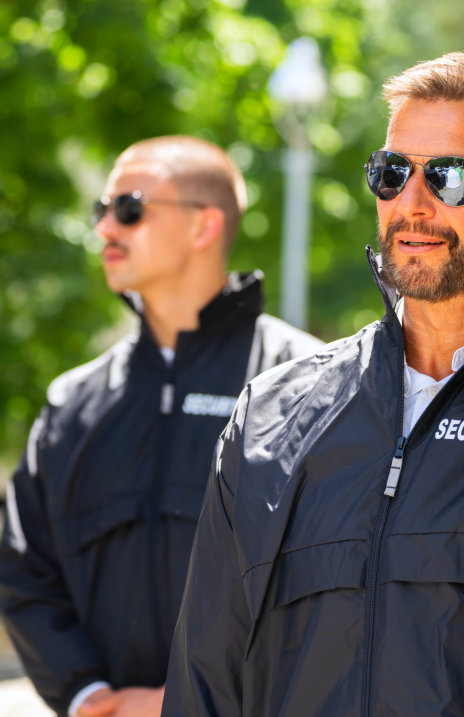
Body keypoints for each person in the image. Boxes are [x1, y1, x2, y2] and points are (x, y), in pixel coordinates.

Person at [162, 53, 464, 716]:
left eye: (448, 176)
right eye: (392, 172)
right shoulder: (270, 414)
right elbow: (206, 675)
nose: (411, 203)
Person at [0, 135, 323, 717]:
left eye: (129, 208)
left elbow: (333, 581)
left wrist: (192, 701)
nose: (105, 229)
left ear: (204, 227)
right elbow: (22, 565)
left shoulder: (308, 385)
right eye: (102, 210)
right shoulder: (71, 403)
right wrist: (86, 696)